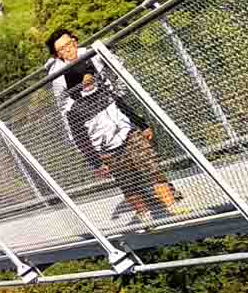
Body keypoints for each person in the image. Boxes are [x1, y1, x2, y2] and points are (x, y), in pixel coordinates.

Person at [63, 67, 173, 223]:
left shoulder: (105, 91)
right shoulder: (73, 109)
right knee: (128, 183)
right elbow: (81, 140)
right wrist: (97, 163)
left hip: (130, 137)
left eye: (91, 81)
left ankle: (171, 208)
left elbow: (125, 108)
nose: (90, 85)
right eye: (85, 83)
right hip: (108, 150)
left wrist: (142, 125)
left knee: (153, 170)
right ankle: (144, 215)